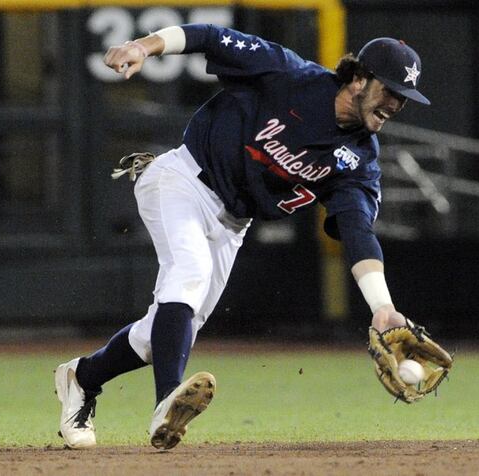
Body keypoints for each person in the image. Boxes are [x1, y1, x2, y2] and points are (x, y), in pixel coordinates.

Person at [55, 23, 431, 450]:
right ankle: (166, 404)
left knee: (165, 329)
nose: (396, 103)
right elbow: (210, 38)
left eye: (405, 97)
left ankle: (81, 378)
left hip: (233, 222)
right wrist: (144, 46)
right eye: (391, 90)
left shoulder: (360, 160)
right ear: (359, 79)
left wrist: (383, 307)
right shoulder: (288, 74)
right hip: (182, 178)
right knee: (190, 274)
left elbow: (358, 231)